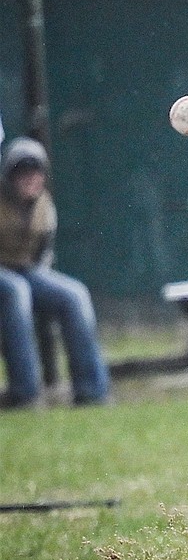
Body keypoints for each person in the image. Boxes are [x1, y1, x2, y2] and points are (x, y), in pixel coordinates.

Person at [0, 137, 111, 408]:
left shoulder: (44, 206)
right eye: (21, 172)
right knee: (17, 291)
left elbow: (42, 256)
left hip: (26, 270)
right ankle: (25, 392)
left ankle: (91, 390)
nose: (29, 178)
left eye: (35, 171)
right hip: (5, 275)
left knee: (74, 294)